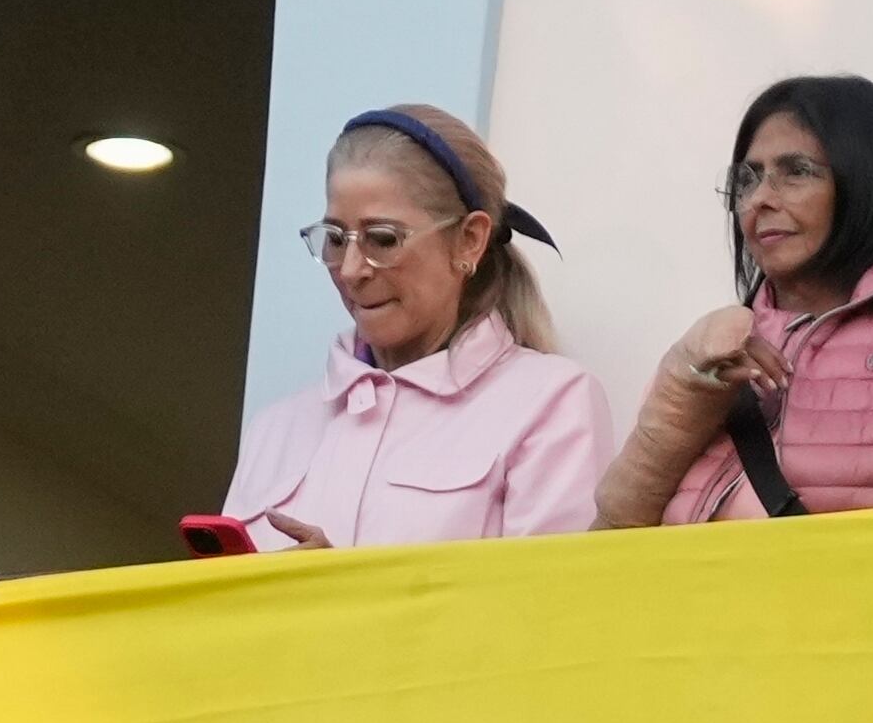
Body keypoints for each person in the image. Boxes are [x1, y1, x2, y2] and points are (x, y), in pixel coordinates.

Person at [597, 74, 873, 527]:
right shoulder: (710, 346)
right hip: (695, 595)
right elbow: (615, 536)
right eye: (748, 179)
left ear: (866, 182)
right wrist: (686, 386)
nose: (759, 199)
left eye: (796, 172)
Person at [221, 104, 606, 549]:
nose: (349, 271)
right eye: (334, 238)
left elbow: (545, 609)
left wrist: (337, 593)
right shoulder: (275, 428)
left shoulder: (551, 403)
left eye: (382, 239)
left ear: (469, 240)